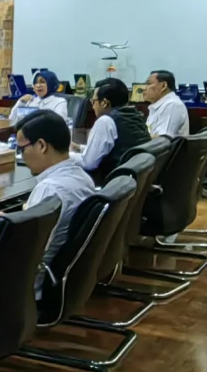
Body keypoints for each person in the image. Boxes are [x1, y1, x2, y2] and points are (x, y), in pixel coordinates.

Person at [15, 111, 96, 298]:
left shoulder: (49, 189)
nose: (22, 156)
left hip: (34, 287)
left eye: (22, 149)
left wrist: (3, 231)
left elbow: (30, 252)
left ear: (42, 146)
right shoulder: (83, 178)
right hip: (66, 279)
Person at [78, 78, 150, 181]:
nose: (92, 106)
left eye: (93, 101)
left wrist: (64, 156)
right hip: (133, 183)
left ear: (104, 103)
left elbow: (88, 163)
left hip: (114, 184)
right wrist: (80, 148)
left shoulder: (105, 121)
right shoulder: (135, 116)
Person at [143, 70, 190, 138]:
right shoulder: (159, 105)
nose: (144, 88)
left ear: (163, 86)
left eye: (148, 84)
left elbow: (163, 140)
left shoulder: (172, 105)